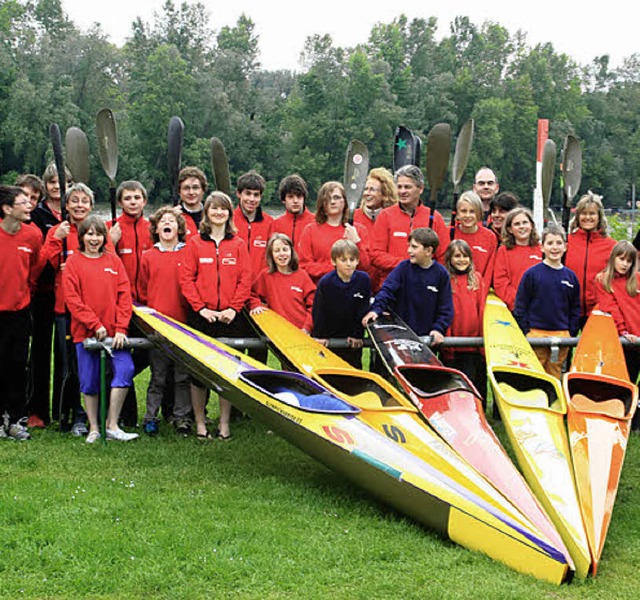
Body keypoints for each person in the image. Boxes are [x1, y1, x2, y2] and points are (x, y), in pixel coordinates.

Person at [179, 191, 252, 440]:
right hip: (202, 316)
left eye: (224, 209)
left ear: (229, 214)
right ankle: (200, 423)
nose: (219, 213)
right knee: (198, 372)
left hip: (232, 318)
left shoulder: (238, 244)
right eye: (214, 209)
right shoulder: (195, 244)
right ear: (206, 213)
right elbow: (186, 279)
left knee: (227, 371)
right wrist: (201, 308)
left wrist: (234, 308)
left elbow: (246, 279)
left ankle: (224, 424)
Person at [41, 183, 110, 435]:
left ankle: (101, 415)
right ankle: (70, 415)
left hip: (97, 311)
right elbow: (40, 264)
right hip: (65, 309)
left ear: (91, 206)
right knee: (69, 366)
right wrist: (55, 241)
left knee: (97, 365)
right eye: (75, 201)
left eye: (84, 201)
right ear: (66, 205)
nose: (79, 205)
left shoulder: (99, 232)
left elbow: (110, 266)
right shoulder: (59, 231)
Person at [62, 216, 138, 444]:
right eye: (89, 234)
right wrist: (94, 324)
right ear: (82, 237)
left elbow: (125, 296)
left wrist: (121, 328)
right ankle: (94, 427)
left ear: (105, 238)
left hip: (115, 333)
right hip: (85, 333)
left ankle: (112, 424)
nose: (94, 239)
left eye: (98, 234)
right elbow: (72, 299)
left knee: (125, 370)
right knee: (89, 380)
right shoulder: (74, 262)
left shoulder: (114, 261)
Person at [27, 163, 73, 427]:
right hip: (42, 291)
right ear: (46, 185)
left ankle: (63, 409)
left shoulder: (73, 211)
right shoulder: (38, 214)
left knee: (65, 353)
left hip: (66, 292)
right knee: (40, 353)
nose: (58, 187)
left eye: (63, 182)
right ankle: (37, 410)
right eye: (53, 182)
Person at [139, 207, 191, 435]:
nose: (167, 224)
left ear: (179, 228)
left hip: (183, 326)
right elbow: (142, 288)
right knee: (158, 376)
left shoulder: (188, 254)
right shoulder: (148, 256)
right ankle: (151, 417)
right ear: (156, 228)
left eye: (172, 221)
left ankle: (181, 417)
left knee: (182, 376)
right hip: (158, 327)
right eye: (163, 221)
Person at [107, 180, 153, 427]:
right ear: (120, 202)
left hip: (148, 308)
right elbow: (104, 264)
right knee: (122, 357)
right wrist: (111, 243)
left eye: (137, 198)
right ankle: (128, 417)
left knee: (149, 356)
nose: (133, 202)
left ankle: (112, 382)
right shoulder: (111, 229)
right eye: (128, 198)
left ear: (144, 201)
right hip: (121, 306)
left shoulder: (153, 228)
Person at [0, 185, 43, 440]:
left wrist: (24, 295)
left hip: (20, 312)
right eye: (23, 202)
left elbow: (34, 269)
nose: (29, 206)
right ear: (7, 209)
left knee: (18, 366)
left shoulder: (33, 236)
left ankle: (17, 420)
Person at [363, 227, 453, 343]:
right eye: (409, 246)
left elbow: (446, 308)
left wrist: (438, 329)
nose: (409, 250)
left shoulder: (441, 274)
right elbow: (386, 291)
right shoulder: (403, 268)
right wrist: (375, 310)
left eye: (414, 247)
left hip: (426, 340)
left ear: (429, 251)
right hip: (398, 336)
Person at [514, 223, 580, 379]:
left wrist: (570, 332)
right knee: (535, 374)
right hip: (536, 333)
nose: (554, 247)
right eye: (550, 243)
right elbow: (521, 306)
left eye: (559, 243)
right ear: (542, 247)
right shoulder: (532, 274)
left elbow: (575, 309)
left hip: (561, 334)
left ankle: (553, 401)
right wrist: (527, 331)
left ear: (566, 247)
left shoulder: (570, 277)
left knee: (555, 373)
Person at [370, 165, 448, 287]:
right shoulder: (385, 216)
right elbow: (375, 255)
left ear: (420, 188)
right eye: (399, 187)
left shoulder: (434, 217)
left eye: (407, 187)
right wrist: (407, 264)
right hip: (393, 285)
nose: (402, 191)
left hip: (424, 286)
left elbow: (443, 256)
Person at [441, 239, 488, 403]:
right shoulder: (445, 279)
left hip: (473, 344)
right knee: (452, 387)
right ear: (450, 259)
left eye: (465, 256)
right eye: (457, 256)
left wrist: (482, 342)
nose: (462, 260)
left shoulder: (476, 279)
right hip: (451, 343)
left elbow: (481, 308)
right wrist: (447, 344)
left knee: (474, 384)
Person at [312, 240, 371, 369]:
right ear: (334, 261)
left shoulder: (364, 280)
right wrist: (320, 336)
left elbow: (363, 309)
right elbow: (319, 311)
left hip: (352, 338)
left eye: (352, 259)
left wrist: (357, 335)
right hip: (330, 337)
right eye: (343, 260)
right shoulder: (326, 283)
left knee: (353, 369)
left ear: (357, 261)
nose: (348, 264)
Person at [298, 181, 370, 284]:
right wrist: (338, 268)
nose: (332, 202)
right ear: (322, 203)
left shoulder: (358, 230)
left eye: (336, 197)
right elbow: (304, 266)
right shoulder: (310, 230)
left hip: (351, 291)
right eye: (327, 198)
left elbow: (365, 267)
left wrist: (357, 242)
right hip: (320, 290)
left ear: (345, 201)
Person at [565, 191, 616, 326]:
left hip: (599, 310)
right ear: (577, 216)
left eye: (592, 213)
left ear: (599, 217)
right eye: (583, 213)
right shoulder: (566, 242)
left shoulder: (611, 246)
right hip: (568, 308)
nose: (587, 217)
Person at [594, 241, 640, 388]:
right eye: (621, 259)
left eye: (629, 261)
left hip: (638, 336)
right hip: (622, 340)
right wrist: (623, 331)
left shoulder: (637, 279)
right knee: (624, 382)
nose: (625, 264)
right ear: (613, 258)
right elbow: (610, 308)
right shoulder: (603, 280)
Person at [249, 233, 315, 333]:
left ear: (291, 252)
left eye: (285, 249)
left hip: (301, 332)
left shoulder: (302, 276)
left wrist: (307, 328)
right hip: (278, 334)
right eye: (277, 251)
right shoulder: (265, 276)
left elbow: (313, 305)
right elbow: (251, 294)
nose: (282, 254)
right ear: (271, 254)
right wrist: (256, 305)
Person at [353, 167, 398, 292]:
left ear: (384, 194)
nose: (367, 193)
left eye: (372, 190)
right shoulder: (353, 218)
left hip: (386, 286)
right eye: (366, 189)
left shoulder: (393, 219)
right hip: (359, 285)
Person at [493, 208, 543, 310]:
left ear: (531, 225)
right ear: (510, 229)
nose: (521, 227)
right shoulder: (503, 251)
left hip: (540, 308)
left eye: (525, 222)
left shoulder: (542, 249)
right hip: (515, 308)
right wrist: (519, 301)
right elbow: (500, 282)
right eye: (517, 224)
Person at [450, 190, 497, 283]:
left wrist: (481, 293)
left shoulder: (490, 237)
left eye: (472, 211)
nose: (468, 215)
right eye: (463, 211)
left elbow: (489, 272)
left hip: (478, 290)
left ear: (479, 213)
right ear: (458, 213)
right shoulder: (449, 233)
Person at [233, 170, 273, 279]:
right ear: (238, 194)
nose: (252, 199)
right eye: (248, 193)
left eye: (256, 195)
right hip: (234, 285)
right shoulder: (228, 220)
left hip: (260, 285)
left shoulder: (270, 223)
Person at [269, 174, 315, 249]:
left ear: (304, 198)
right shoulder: (275, 225)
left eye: (299, 196)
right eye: (290, 197)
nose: (295, 201)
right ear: (284, 200)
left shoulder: (315, 222)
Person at [175, 166, 207, 240]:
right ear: (179, 192)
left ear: (203, 190)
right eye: (186, 188)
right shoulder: (173, 217)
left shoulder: (211, 215)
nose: (191, 192)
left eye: (195, 188)